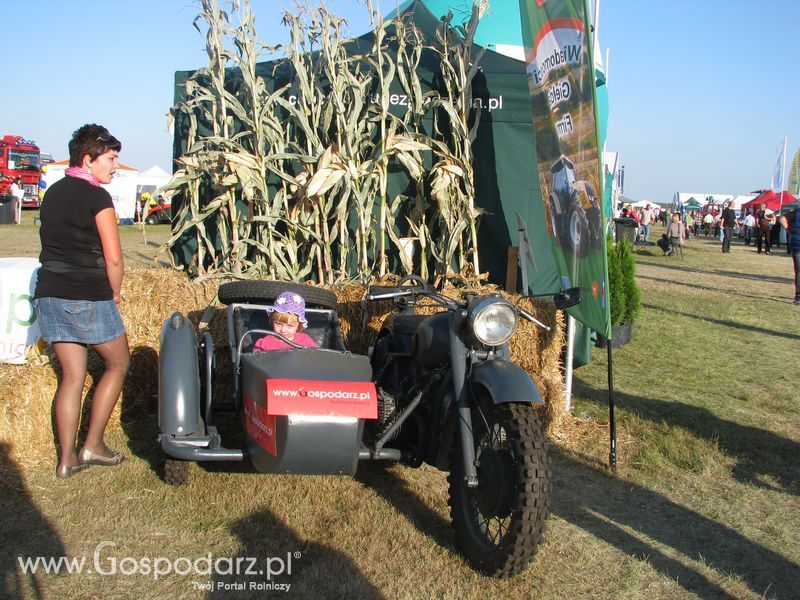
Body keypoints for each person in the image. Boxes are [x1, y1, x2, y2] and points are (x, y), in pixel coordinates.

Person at [33, 124, 129, 479]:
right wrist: (114, 292)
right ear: (88, 160)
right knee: (119, 363)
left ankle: (67, 459)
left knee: (72, 376)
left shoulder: (53, 193)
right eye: (111, 159)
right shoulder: (97, 197)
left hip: (49, 292)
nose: (115, 166)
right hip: (86, 293)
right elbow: (114, 258)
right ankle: (93, 445)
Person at [254, 291, 319, 351]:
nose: (283, 330)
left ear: (298, 326)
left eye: (289, 326)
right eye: (279, 324)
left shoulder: (305, 340)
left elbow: (317, 356)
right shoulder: (264, 343)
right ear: (272, 321)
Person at [780, 207, 800, 304]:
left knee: (799, 272)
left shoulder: (796, 212)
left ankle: (798, 296)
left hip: (797, 244)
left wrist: (788, 230)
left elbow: (782, 219)